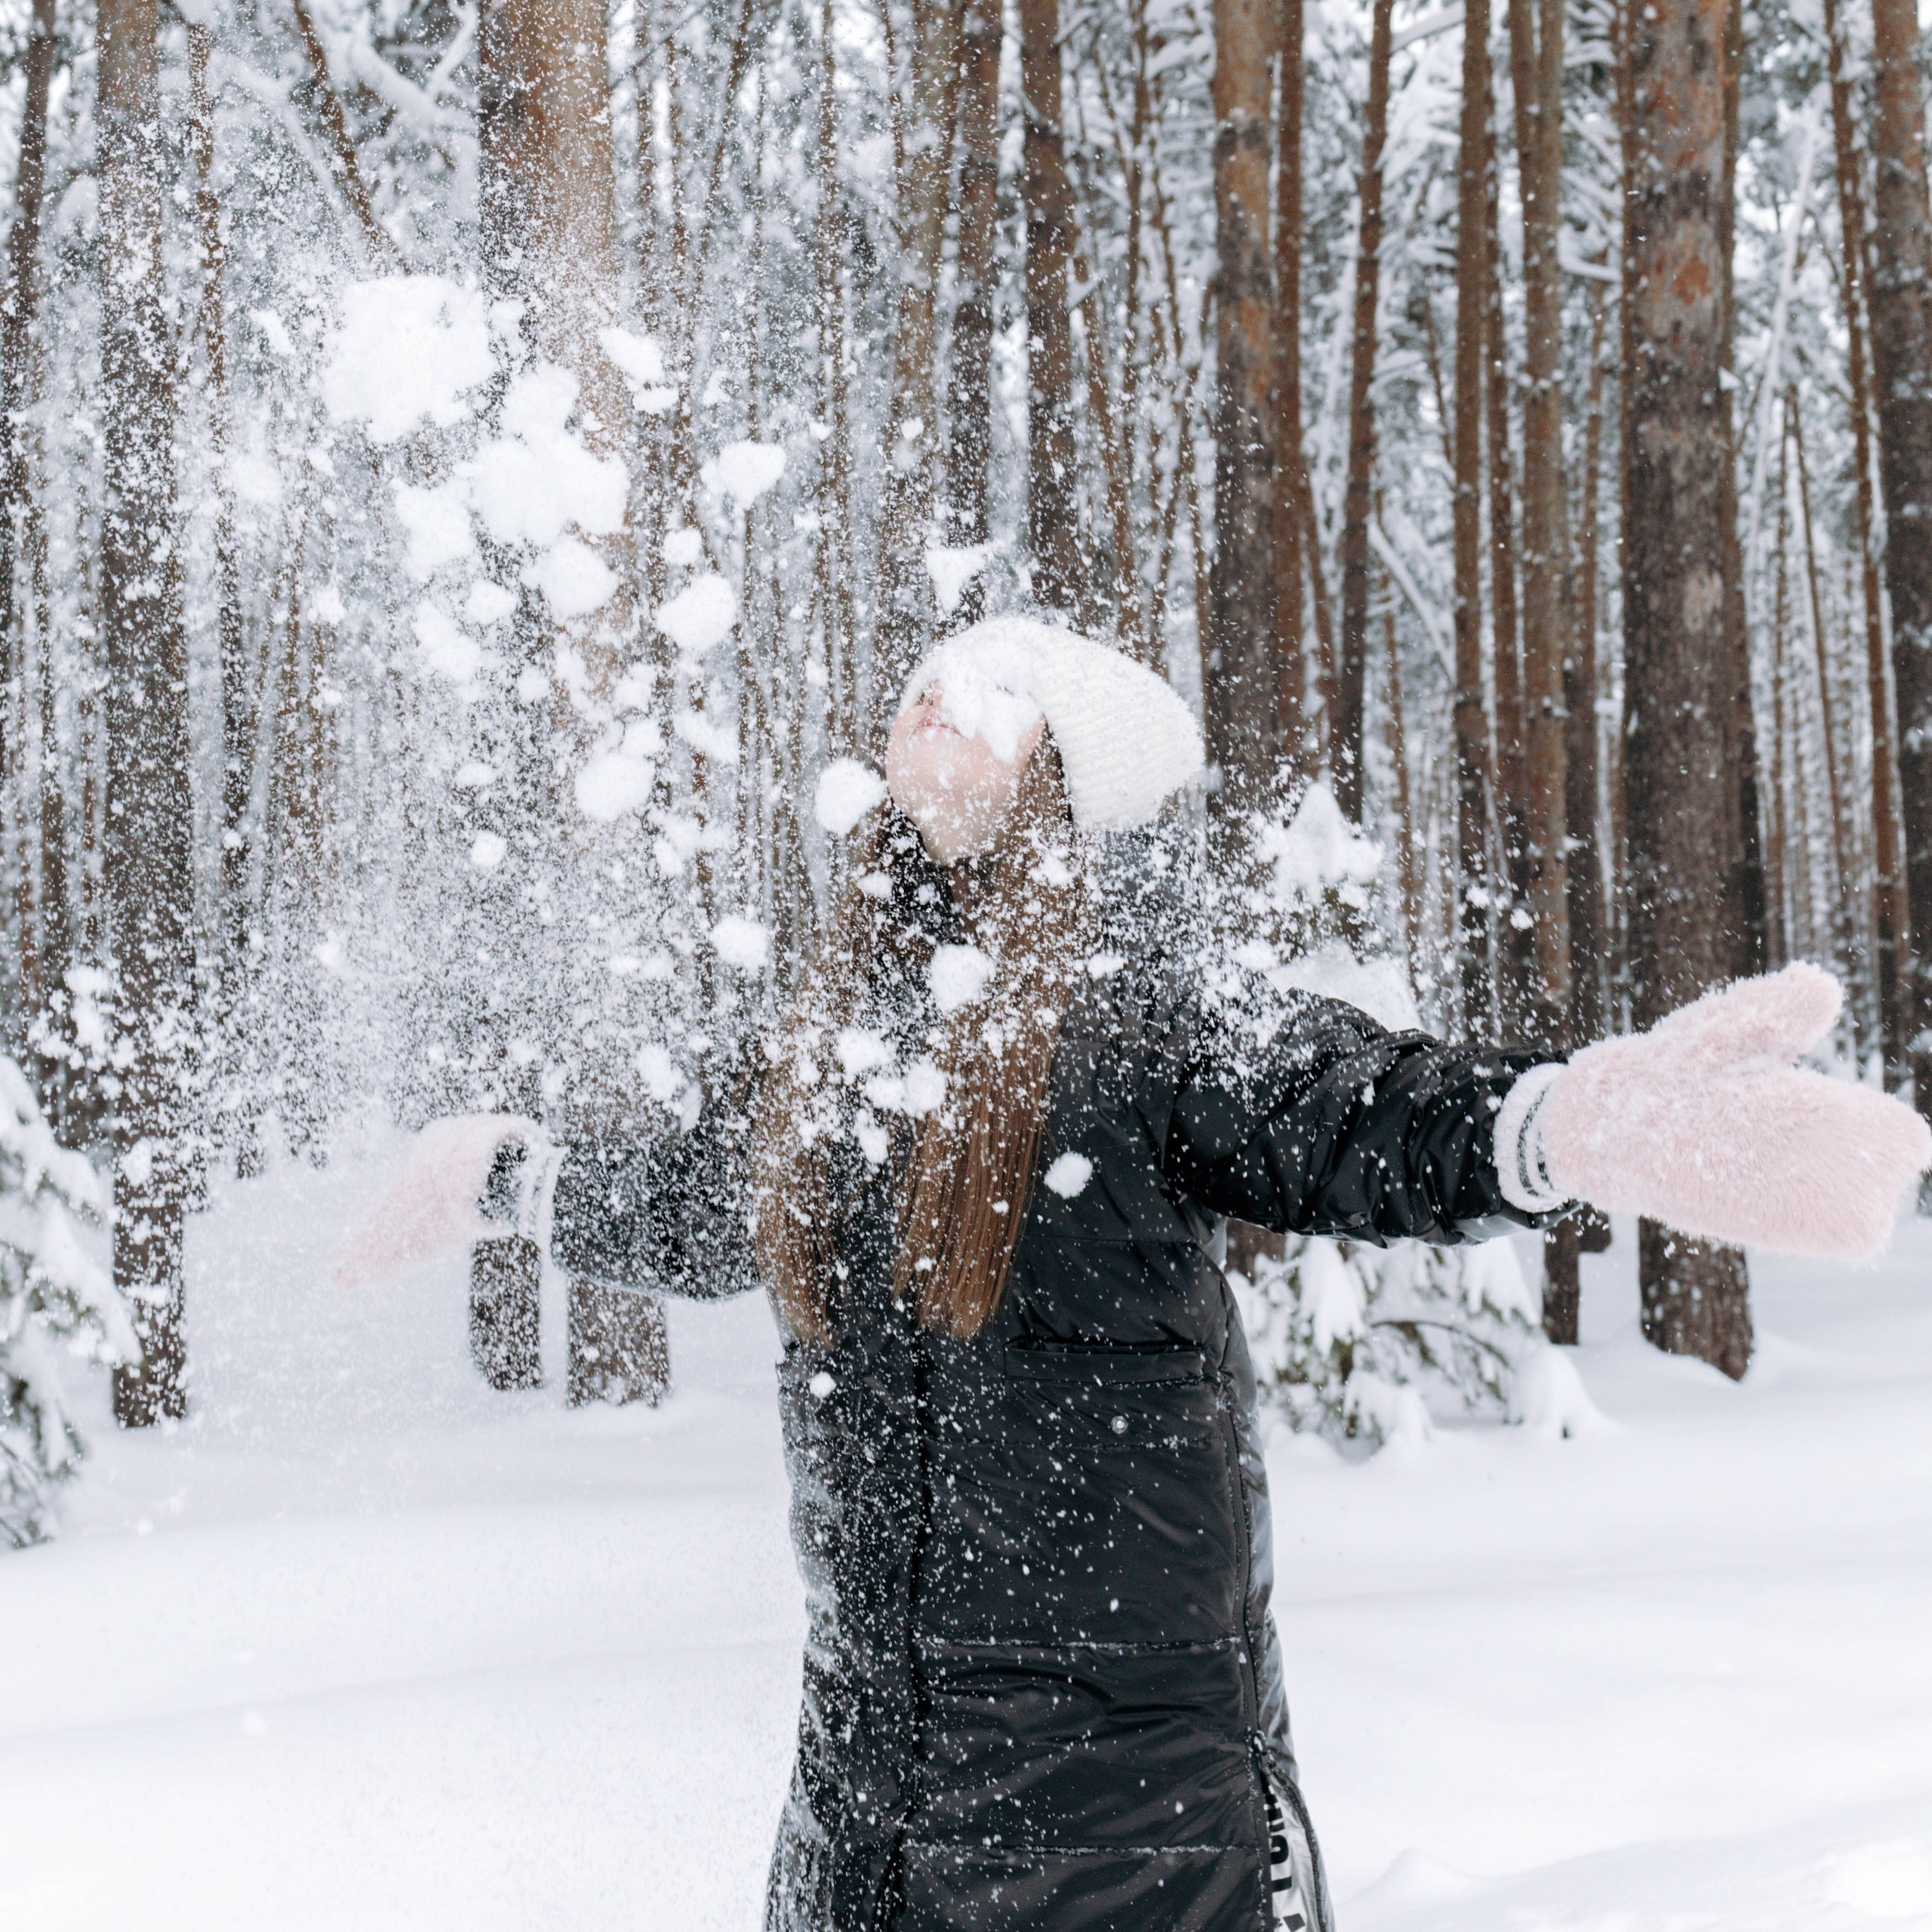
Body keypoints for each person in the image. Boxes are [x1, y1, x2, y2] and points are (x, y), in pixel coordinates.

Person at [342, 617, 1930, 1932]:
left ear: (1053, 768)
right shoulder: (827, 1058)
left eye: (988, 686)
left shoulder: (1140, 1020)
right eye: (920, 676)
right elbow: (693, 1203)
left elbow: (1357, 1111)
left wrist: (1552, 1121)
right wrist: (499, 1174)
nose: (932, 693)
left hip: (1131, 1808)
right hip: (863, 1801)